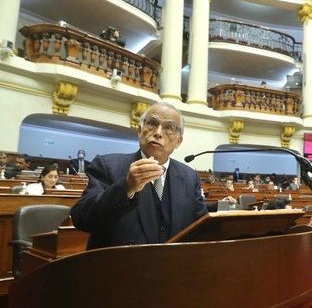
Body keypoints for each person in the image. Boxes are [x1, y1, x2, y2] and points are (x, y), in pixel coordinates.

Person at [70, 102, 208, 250]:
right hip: (122, 267)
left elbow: (202, 226)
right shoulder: (107, 165)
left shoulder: (189, 176)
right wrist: (126, 188)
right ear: (140, 130)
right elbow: (82, 219)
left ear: (178, 141)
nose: (158, 132)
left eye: (168, 127)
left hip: (170, 268)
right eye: (152, 124)